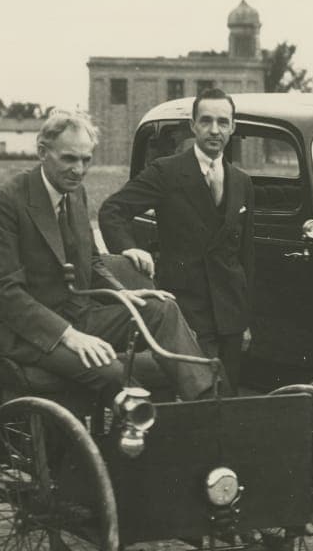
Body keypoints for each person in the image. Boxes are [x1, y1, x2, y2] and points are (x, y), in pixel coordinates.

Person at [0, 112, 220, 408]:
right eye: (69, 159)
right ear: (42, 151)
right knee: (112, 369)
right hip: (29, 334)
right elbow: (4, 294)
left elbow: (90, 262)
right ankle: (140, 431)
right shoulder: (7, 201)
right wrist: (69, 336)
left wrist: (124, 294)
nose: (78, 170)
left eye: (86, 160)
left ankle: (210, 406)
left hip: (81, 316)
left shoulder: (75, 194)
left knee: (162, 309)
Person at [99, 88, 255, 395]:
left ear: (233, 127)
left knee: (228, 398)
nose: (215, 130)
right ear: (193, 126)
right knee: (196, 398)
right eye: (206, 121)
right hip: (186, 311)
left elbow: (246, 256)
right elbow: (112, 211)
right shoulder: (167, 171)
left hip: (230, 317)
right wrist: (129, 249)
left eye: (223, 122)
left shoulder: (242, 182)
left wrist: (245, 319)